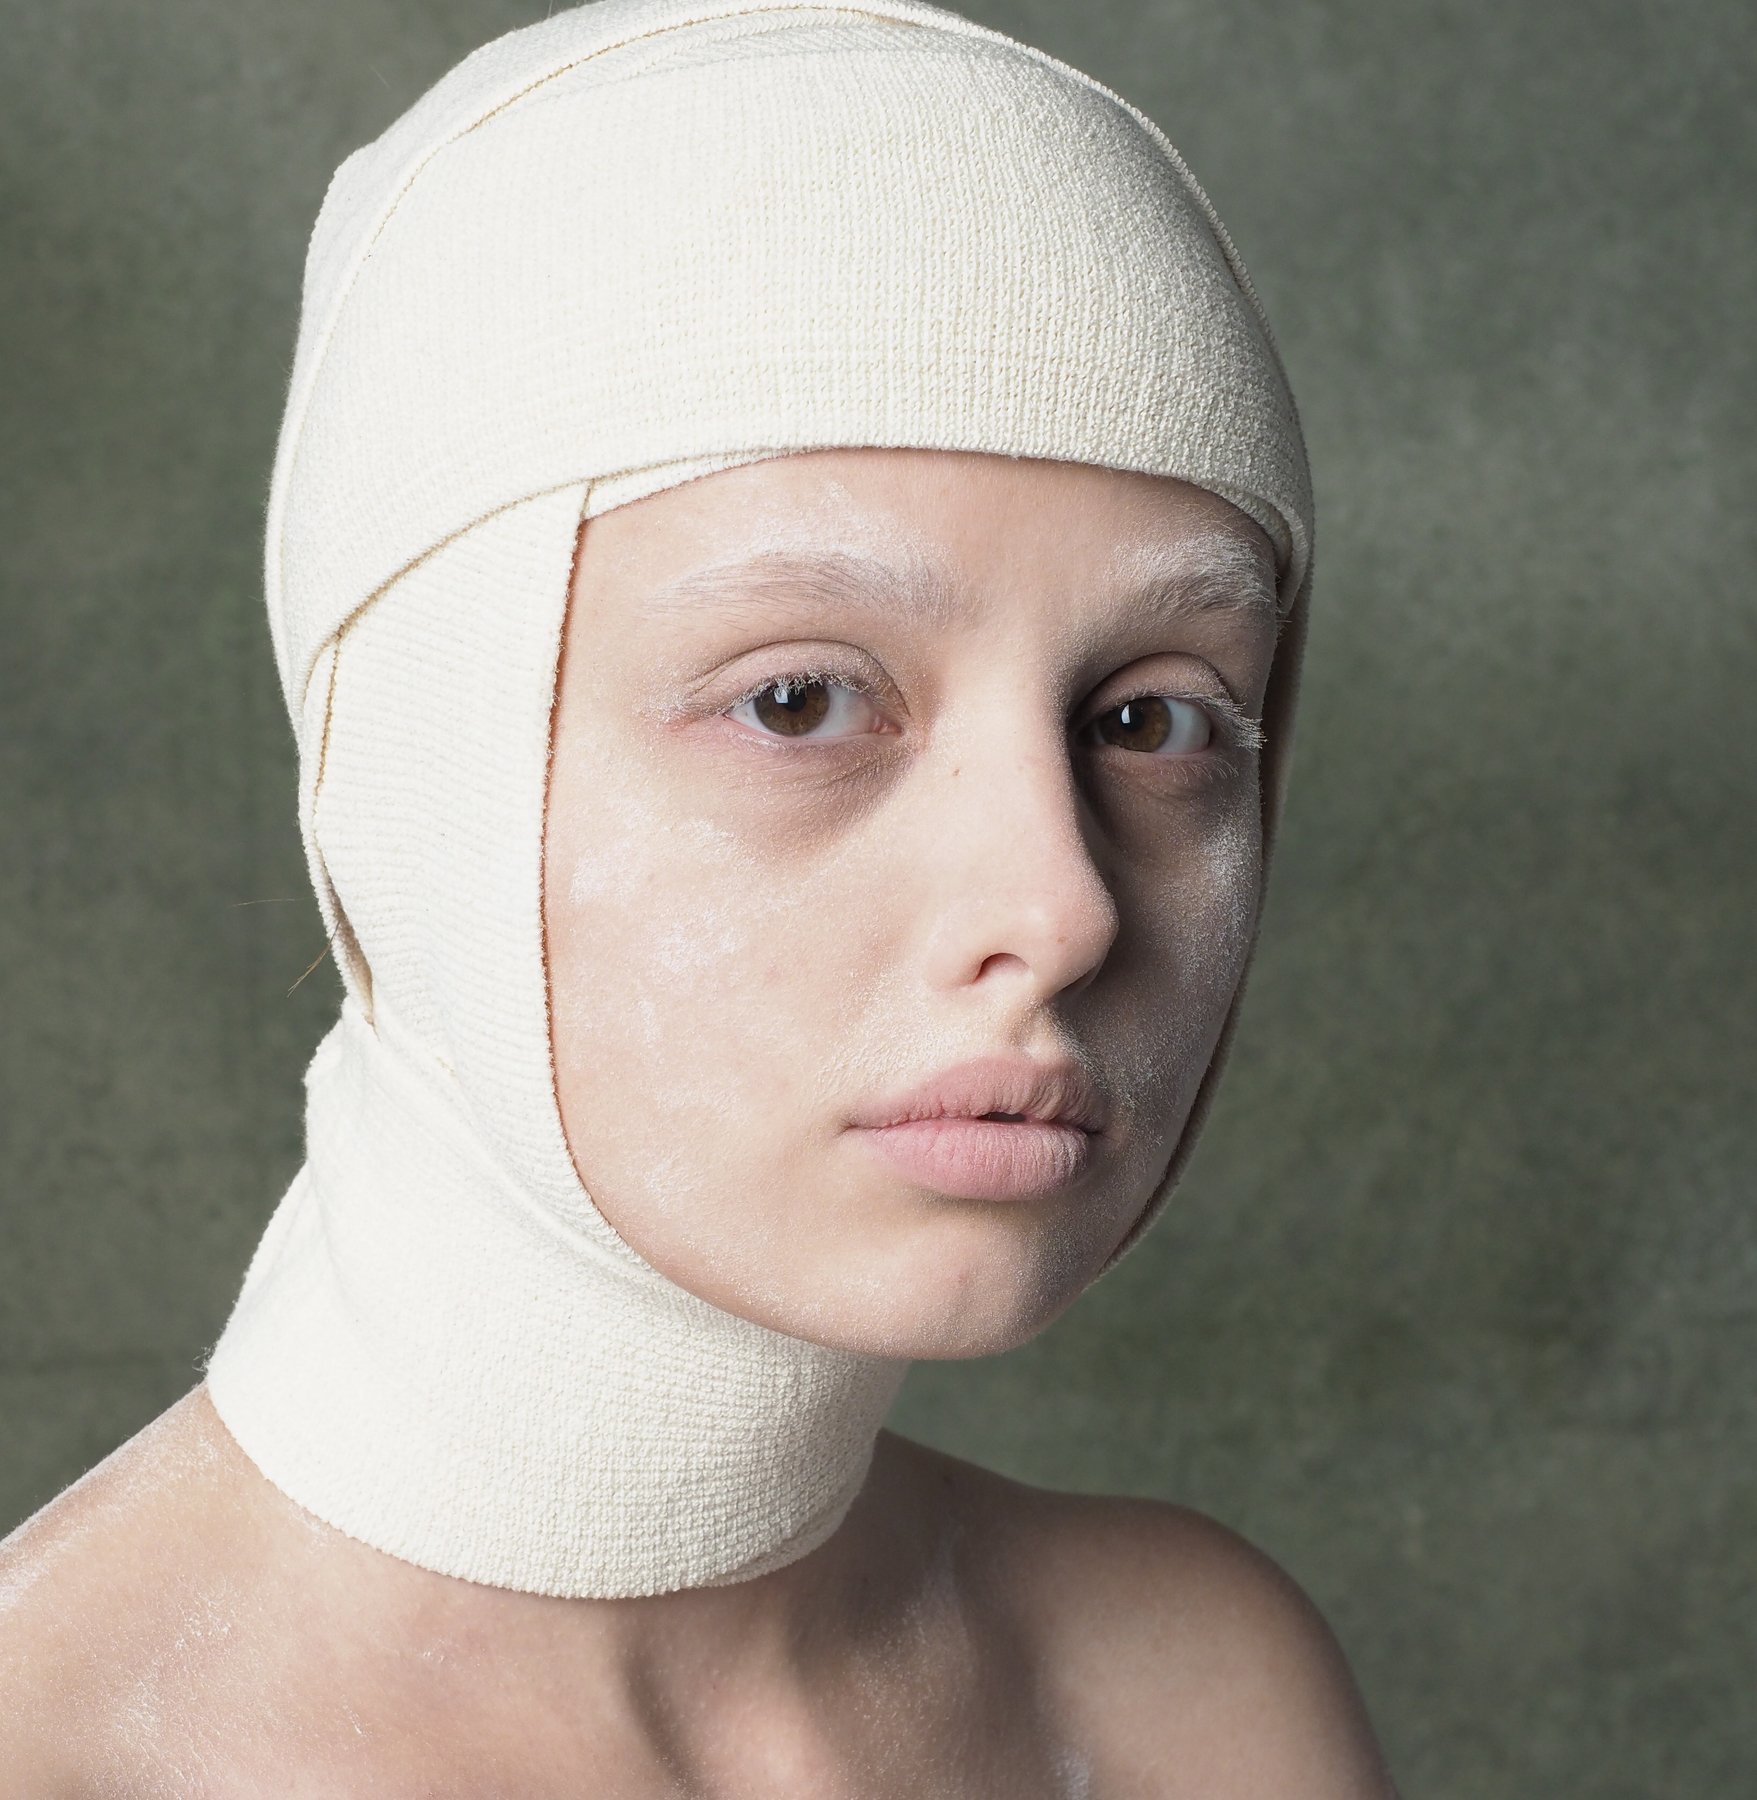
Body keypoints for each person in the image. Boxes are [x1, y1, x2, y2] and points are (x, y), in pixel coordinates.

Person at [0, 0, 1398, 1791]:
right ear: (400, 778)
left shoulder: (1190, 1695)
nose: (1061, 908)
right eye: (798, 702)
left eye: (1152, 720)